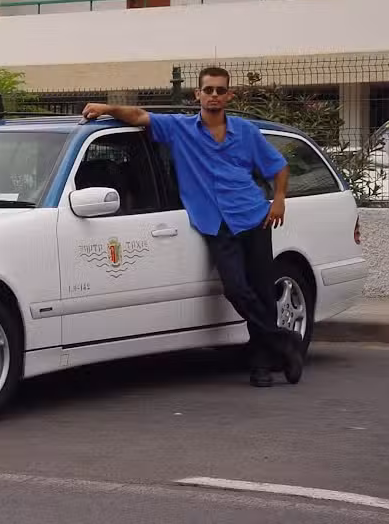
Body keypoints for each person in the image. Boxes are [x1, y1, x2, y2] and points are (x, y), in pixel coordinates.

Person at [81, 66, 304, 388]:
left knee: (262, 293)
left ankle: (261, 366)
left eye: (220, 90)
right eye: (208, 90)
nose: (214, 96)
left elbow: (278, 167)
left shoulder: (245, 132)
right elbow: (139, 115)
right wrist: (107, 108)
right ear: (197, 94)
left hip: (253, 217)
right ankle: (284, 342)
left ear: (229, 95)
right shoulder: (179, 129)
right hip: (214, 223)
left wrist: (279, 200)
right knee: (236, 289)